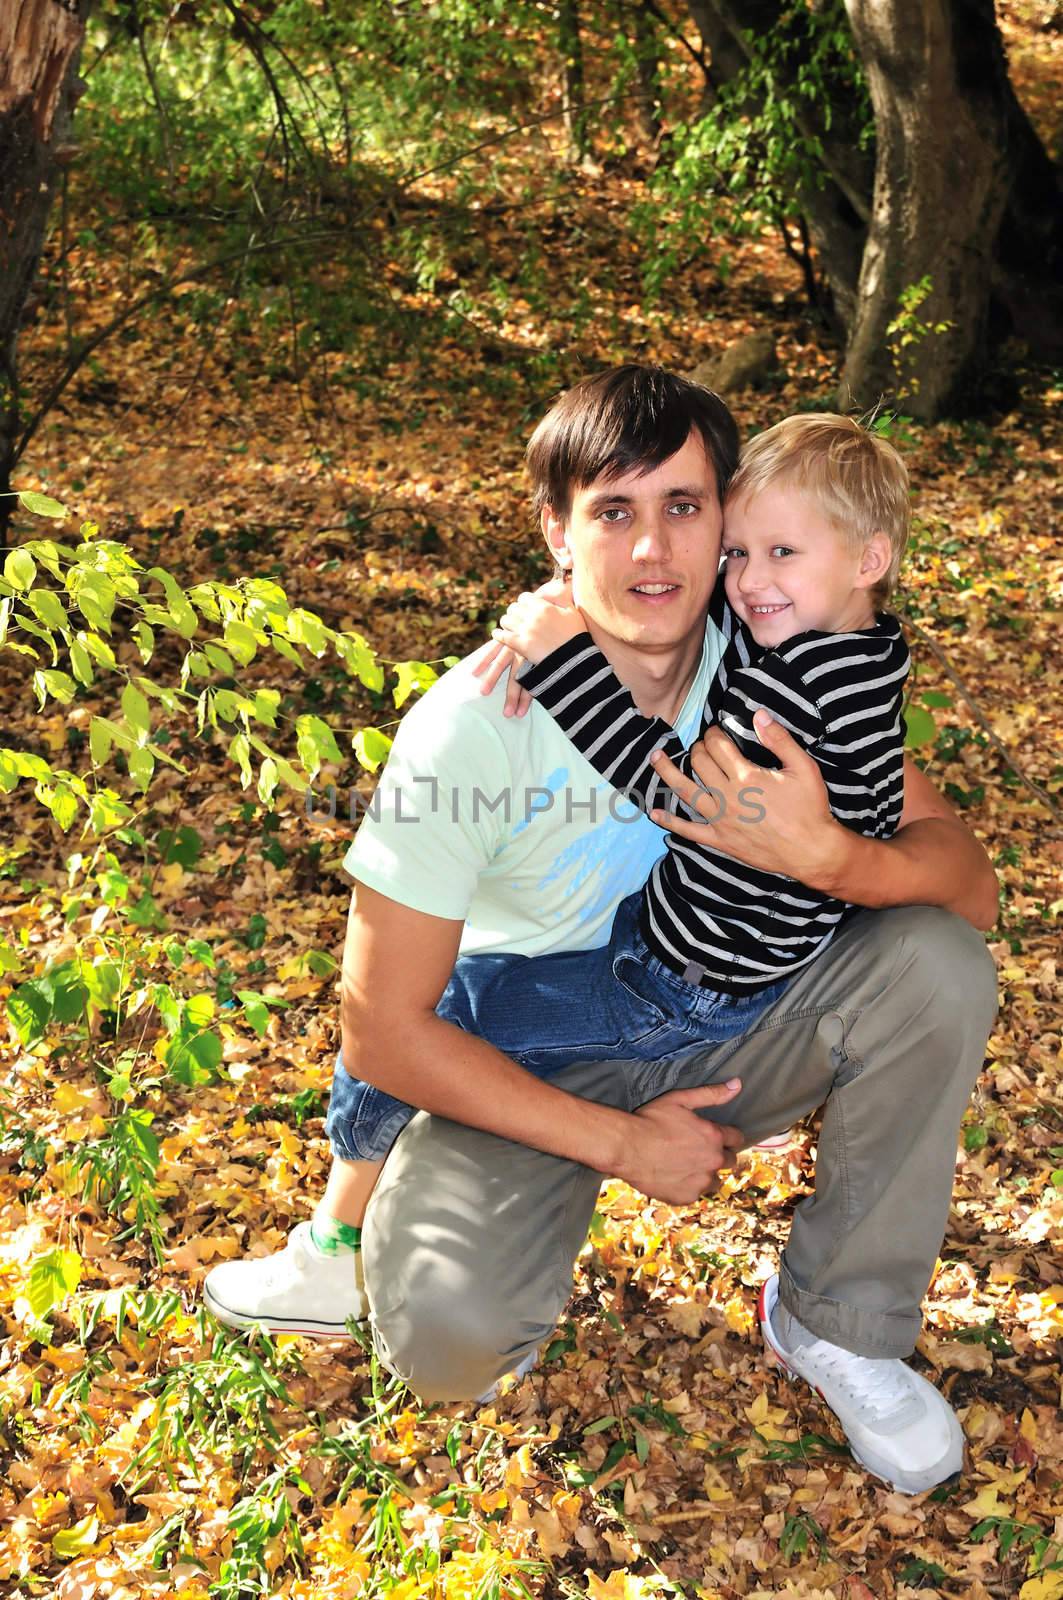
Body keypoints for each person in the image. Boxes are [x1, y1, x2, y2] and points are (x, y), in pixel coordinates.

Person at [204, 366, 998, 1496]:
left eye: (684, 508)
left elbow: (969, 885)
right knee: (449, 1344)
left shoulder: (770, 650)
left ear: (728, 517)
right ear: (554, 531)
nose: (654, 553)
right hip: (538, 1052)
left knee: (935, 961)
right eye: (612, 512)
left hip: (723, 1015)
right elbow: (382, 1032)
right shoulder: (472, 726)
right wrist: (623, 1143)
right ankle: (348, 1234)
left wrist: (832, 858)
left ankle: (835, 1323)